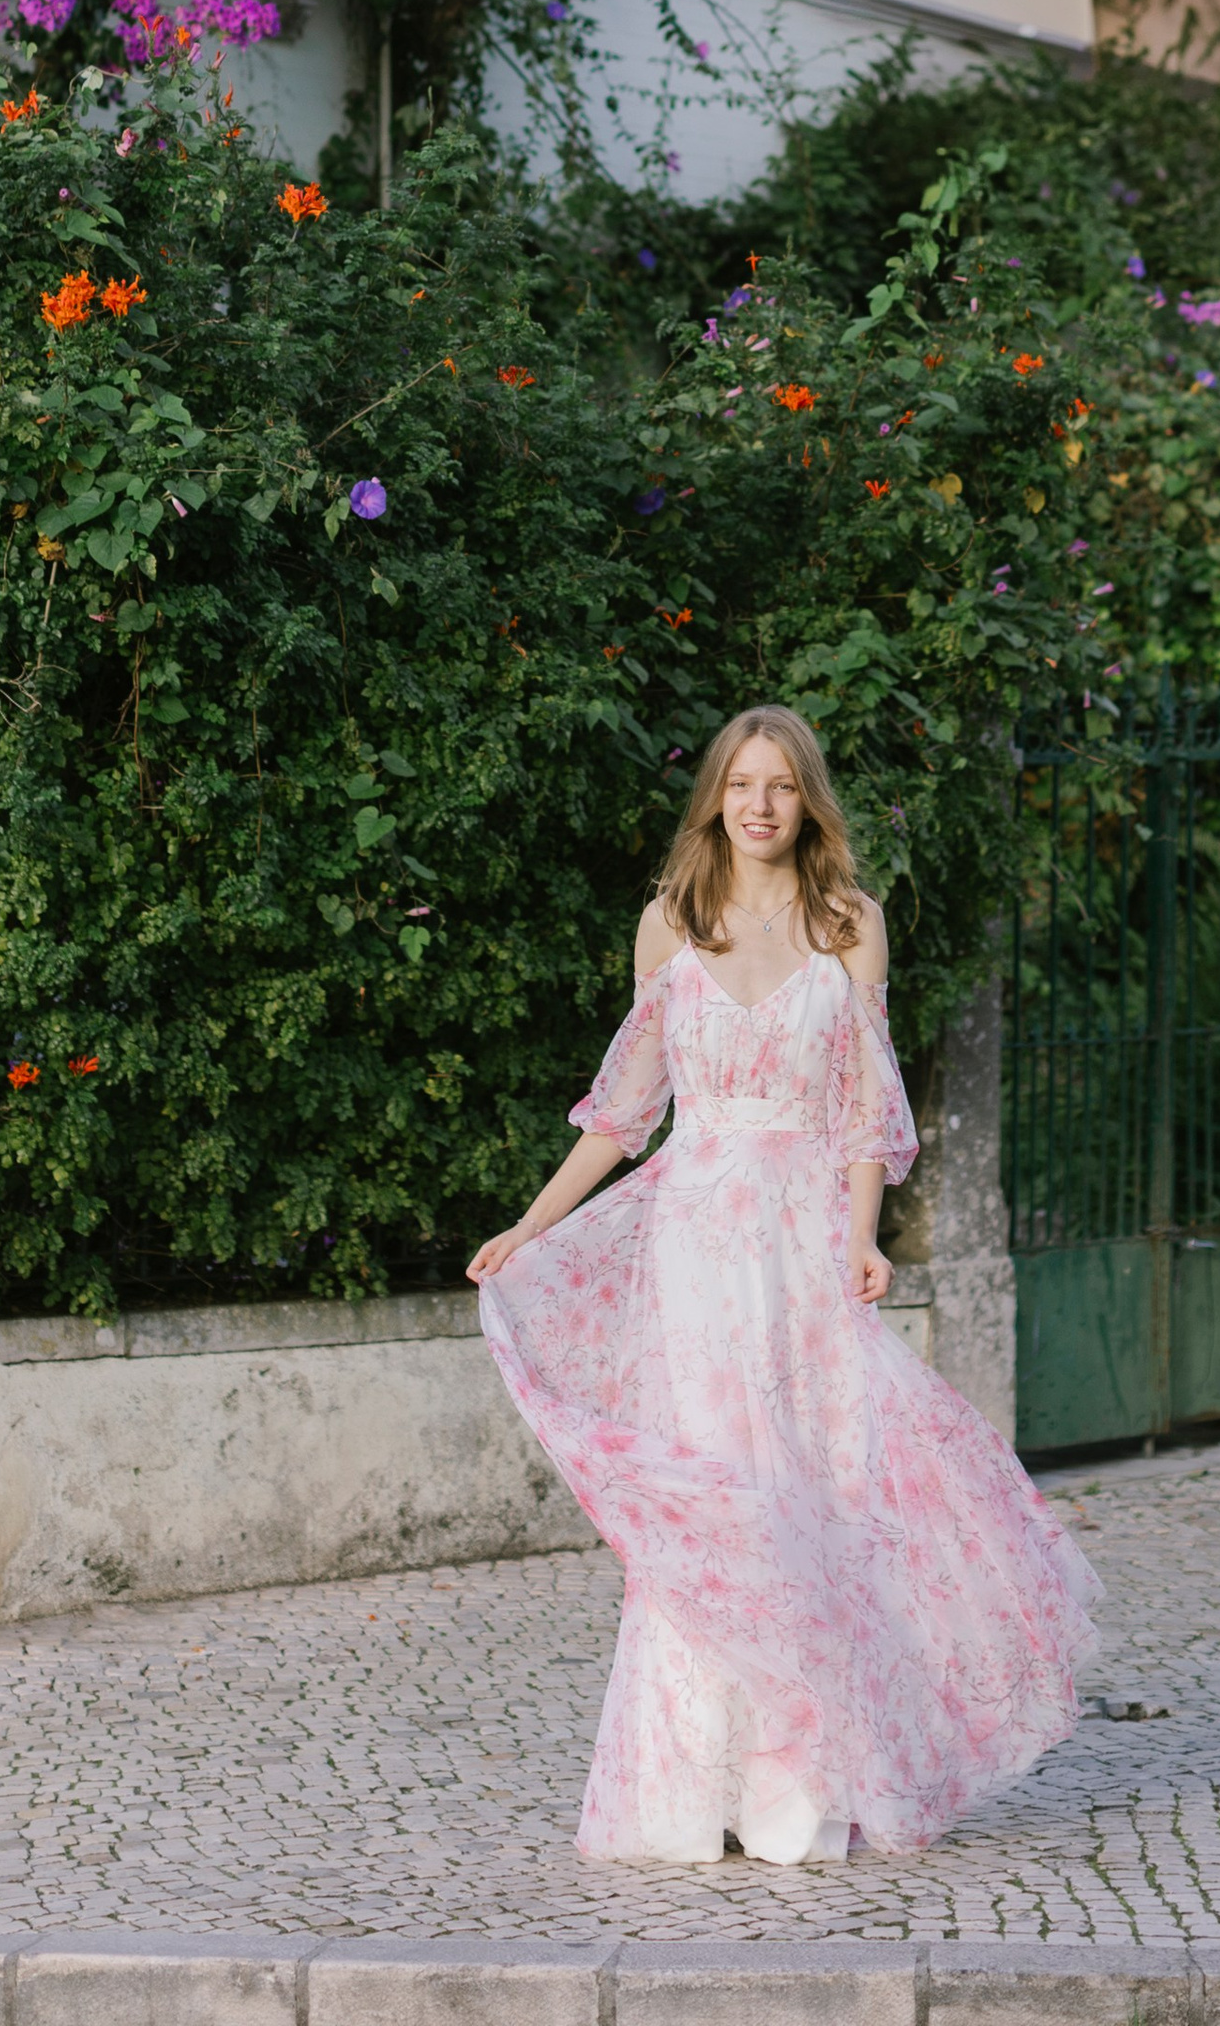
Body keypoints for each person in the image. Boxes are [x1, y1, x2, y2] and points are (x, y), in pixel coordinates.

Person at [467, 700, 1097, 1864]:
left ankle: (802, 1795)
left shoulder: (849, 922)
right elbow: (624, 1113)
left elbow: (866, 1106)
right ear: (714, 795)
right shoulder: (669, 924)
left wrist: (865, 1234)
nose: (759, 805)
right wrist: (531, 1223)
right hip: (698, 1243)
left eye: (782, 786)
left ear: (808, 801)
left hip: (802, 1241)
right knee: (719, 1491)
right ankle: (688, 1795)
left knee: (815, 1485)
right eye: (740, 784)